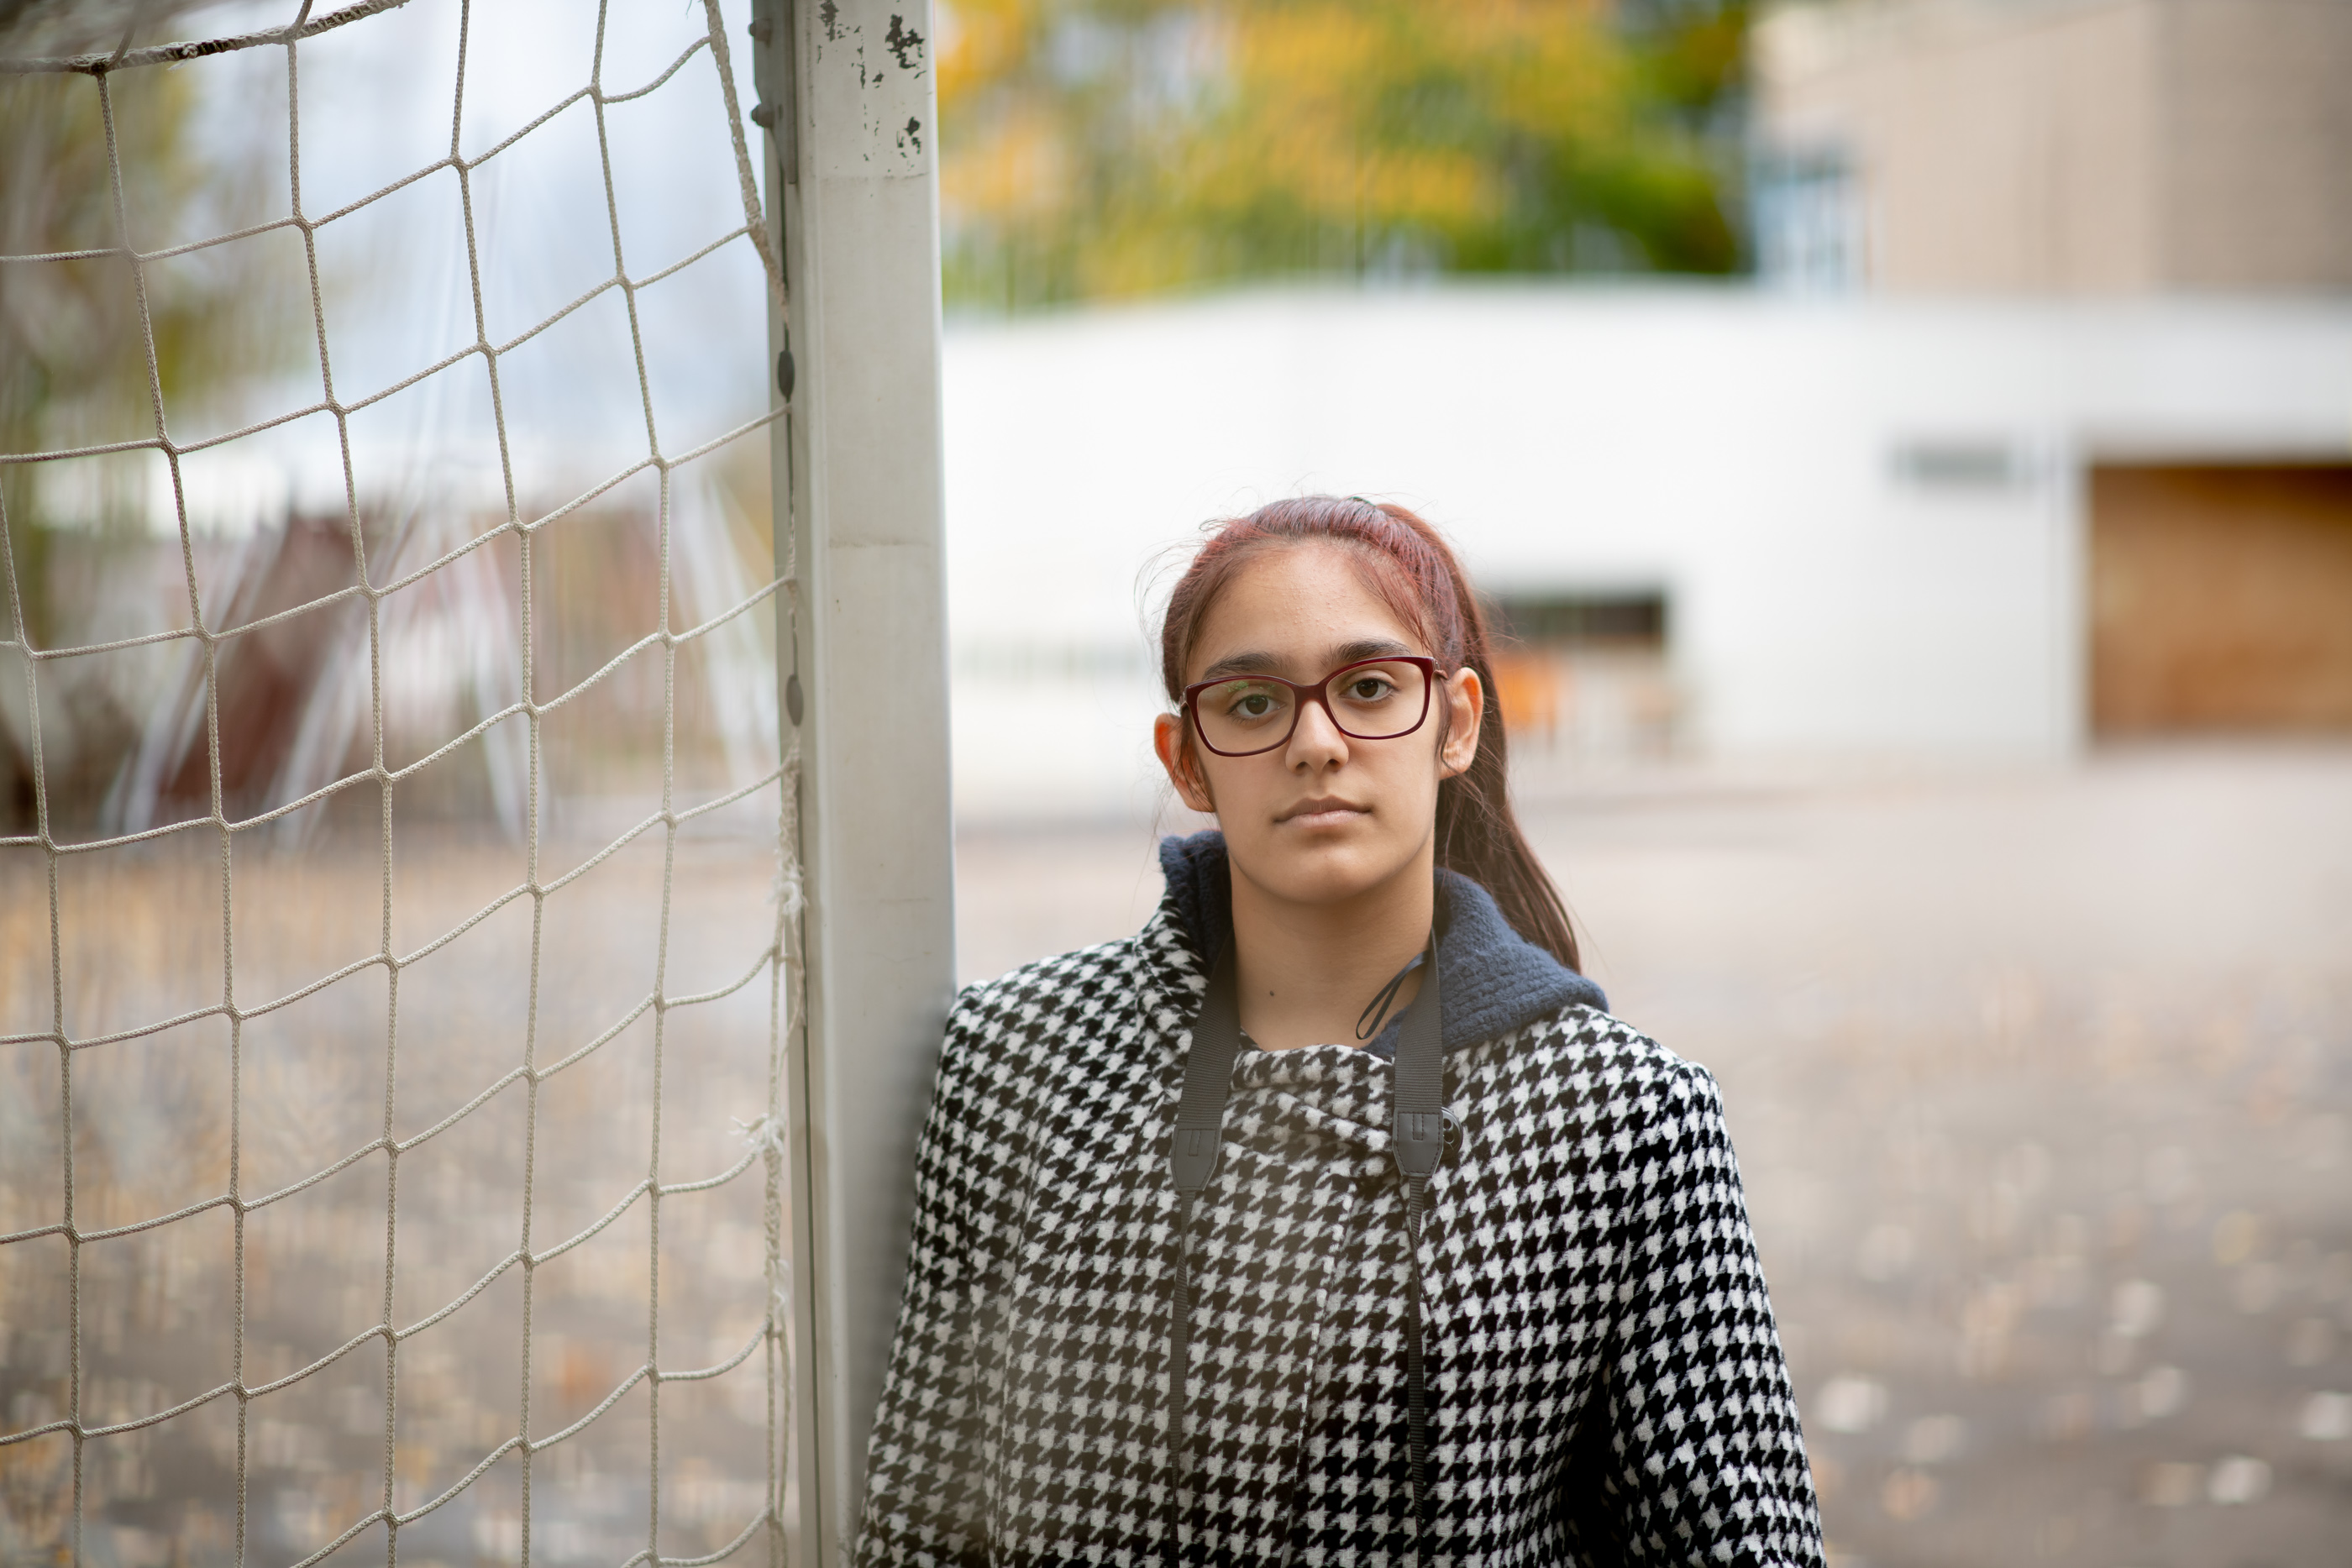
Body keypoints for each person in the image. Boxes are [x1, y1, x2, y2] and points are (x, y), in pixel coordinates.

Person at [855, 496, 1824, 1565]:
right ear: (1186, 759)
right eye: (1252, 702)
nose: (1315, 744)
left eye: (1367, 688)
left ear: (1456, 721)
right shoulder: (1012, 1063)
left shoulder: (1627, 1117)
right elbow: (919, 1528)